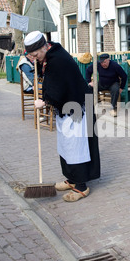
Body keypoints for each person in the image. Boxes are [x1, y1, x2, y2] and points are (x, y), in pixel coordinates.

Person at [24, 31, 100, 202]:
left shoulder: (57, 60)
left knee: (76, 146)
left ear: (44, 47)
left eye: (36, 55)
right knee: (66, 145)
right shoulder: (50, 54)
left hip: (78, 106)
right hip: (69, 106)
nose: (35, 58)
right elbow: (52, 80)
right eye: (32, 56)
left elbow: (58, 87)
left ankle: (81, 186)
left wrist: (44, 101)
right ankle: (71, 178)